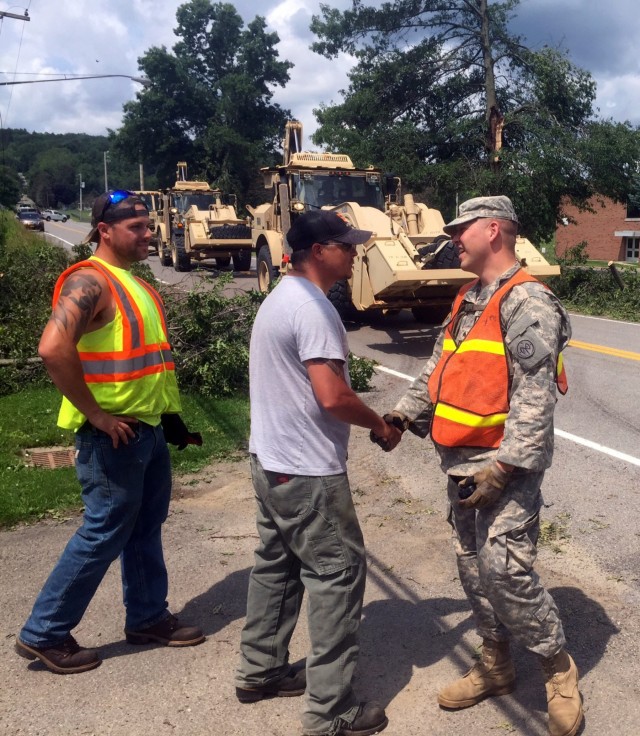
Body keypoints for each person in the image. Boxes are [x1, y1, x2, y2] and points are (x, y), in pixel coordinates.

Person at [384, 196, 583, 736]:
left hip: (503, 466)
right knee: (473, 571)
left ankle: (558, 671)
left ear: (493, 230)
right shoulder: (469, 298)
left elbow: (535, 399)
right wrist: (403, 415)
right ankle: (496, 664)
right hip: (459, 463)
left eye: (461, 229)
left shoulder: (529, 303)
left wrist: (506, 467)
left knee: (506, 571)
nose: (453, 238)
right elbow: (439, 367)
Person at [15, 190, 205, 675]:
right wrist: (97, 417)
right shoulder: (90, 281)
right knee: (103, 532)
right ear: (105, 230)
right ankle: (45, 632)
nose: (149, 233)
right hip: (112, 437)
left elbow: (148, 362)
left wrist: (171, 422)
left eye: (148, 225)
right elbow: (52, 348)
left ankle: (147, 617)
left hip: (146, 430)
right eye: (137, 227)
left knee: (144, 526)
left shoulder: (130, 281)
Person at [236, 210, 401, 736]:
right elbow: (333, 397)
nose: (354, 254)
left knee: (277, 569)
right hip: (307, 473)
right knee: (338, 578)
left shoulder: (280, 298)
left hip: (271, 463)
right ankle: (332, 711)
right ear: (317, 251)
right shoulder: (313, 308)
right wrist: (378, 424)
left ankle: (258, 670)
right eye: (345, 245)